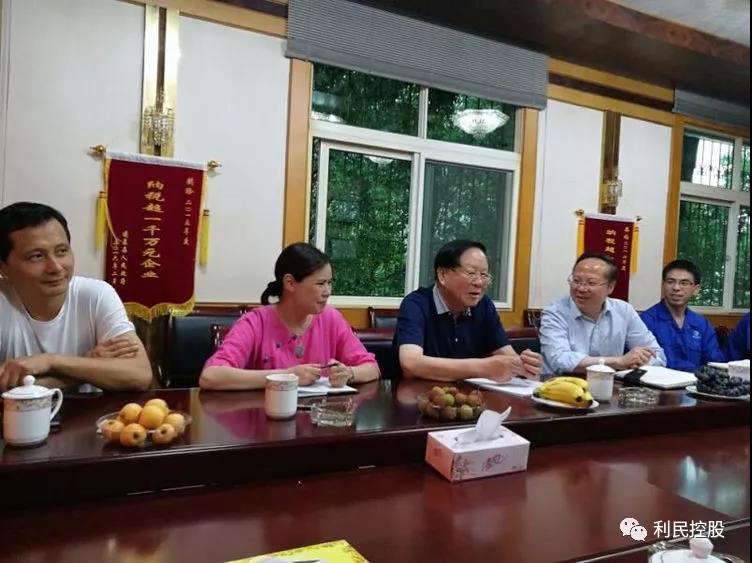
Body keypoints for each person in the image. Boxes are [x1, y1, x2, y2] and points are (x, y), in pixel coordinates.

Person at [0, 202, 152, 392]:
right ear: (3, 268)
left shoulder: (96, 295)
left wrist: (52, 361)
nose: (56, 267)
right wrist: (86, 365)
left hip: (90, 411)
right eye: (36, 256)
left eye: (61, 251)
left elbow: (139, 374)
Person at [200, 242, 379, 390]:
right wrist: (286, 376)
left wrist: (349, 373)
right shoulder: (256, 322)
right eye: (320, 284)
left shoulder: (331, 318)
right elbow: (211, 376)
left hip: (318, 418)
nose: (327, 291)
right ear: (290, 283)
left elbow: (372, 368)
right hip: (267, 417)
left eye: (330, 283)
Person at [394, 240, 542, 382]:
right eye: (471, 273)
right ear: (443, 275)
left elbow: (508, 357)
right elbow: (411, 364)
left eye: (484, 275)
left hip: (471, 397)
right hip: (420, 396)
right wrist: (484, 368)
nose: (479, 283)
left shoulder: (484, 305)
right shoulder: (416, 304)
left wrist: (525, 365)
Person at [539, 252, 665, 376]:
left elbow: (657, 355)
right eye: (576, 281)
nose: (581, 288)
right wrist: (619, 362)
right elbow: (560, 360)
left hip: (610, 384)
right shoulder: (554, 313)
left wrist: (640, 361)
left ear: (610, 287)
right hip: (561, 384)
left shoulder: (624, 311)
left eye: (591, 283)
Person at [640, 259, 724, 372]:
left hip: (697, 382)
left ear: (696, 290)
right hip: (660, 382)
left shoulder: (702, 324)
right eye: (670, 281)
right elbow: (646, 363)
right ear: (663, 285)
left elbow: (715, 362)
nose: (676, 288)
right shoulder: (646, 321)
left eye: (684, 283)